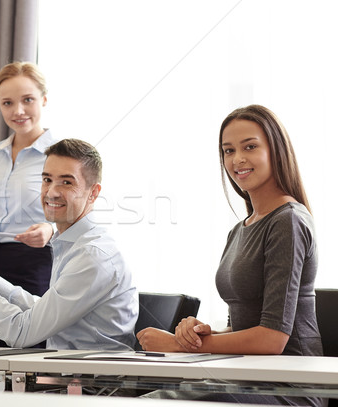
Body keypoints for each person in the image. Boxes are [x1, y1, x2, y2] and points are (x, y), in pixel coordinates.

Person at [136, 105, 324, 406]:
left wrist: (182, 346)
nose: (237, 159)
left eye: (250, 146)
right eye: (228, 150)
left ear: (275, 150)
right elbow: (241, 328)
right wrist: (198, 334)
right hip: (245, 376)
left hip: (289, 386)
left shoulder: (288, 220)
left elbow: (272, 339)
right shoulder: (240, 229)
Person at [0, 139, 138, 350]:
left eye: (66, 182)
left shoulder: (92, 255)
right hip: (64, 375)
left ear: (93, 193)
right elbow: (42, 309)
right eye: (47, 179)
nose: (51, 192)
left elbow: (21, 333)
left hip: (88, 380)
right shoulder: (71, 243)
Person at [0, 61, 57, 299]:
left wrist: (50, 229)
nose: (18, 111)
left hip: (37, 264)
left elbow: (80, 219)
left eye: (28, 100)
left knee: (31, 334)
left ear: (44, 100)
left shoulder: (59, 155)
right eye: (8, 103)